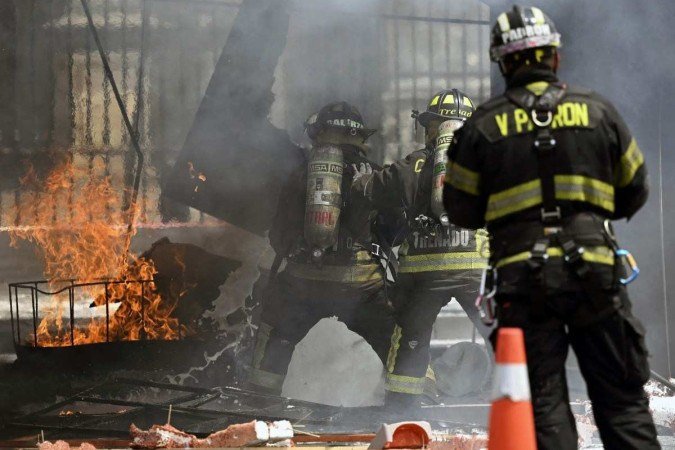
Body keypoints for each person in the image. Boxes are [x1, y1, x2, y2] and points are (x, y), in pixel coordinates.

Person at [443, 5, 659, 449]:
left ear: (503, 63)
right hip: (596, 274)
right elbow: (635, 189)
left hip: (523, 284)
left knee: (543, 406)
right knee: (622, 401)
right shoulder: (598, 112)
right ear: (554, 56)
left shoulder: (480, 127)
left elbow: (460, 211)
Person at [352, 89, 491, 411]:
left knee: (411, 341)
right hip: (476, 271)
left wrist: (358, 178)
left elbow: (370, 189)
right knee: (501, 334)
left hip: (422, 276)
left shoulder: (413, 165)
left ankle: (403, 407)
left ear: (431, 127)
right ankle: (519, 401)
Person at [248, 101, 395, 395]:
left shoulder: (301, 175)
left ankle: (259, 400)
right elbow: (393, 231)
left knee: (276, 333)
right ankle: (415, 401)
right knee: (396, 337)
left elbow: (279, 234)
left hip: (303, 284)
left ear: (319, 133)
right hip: (361, 287)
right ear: (359, 135)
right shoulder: (375, 174)